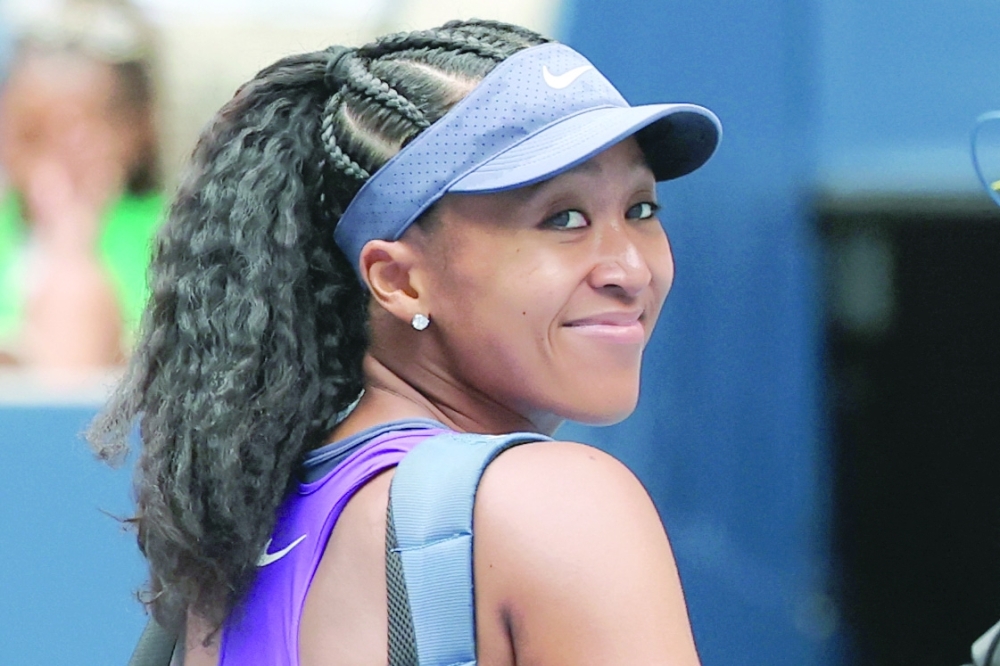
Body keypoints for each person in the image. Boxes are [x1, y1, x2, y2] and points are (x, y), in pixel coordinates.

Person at [88, 18, 721, 666]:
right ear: (399, 280)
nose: (630, 269)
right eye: (563, 218)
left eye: (641, 209)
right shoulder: (560, 505)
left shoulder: (236, 547)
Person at [0, 0, 163, 370]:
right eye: (33, 134)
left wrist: (71, 248)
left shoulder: (173, 234)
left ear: (138, 130)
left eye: (81, 135)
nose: (56, 158)